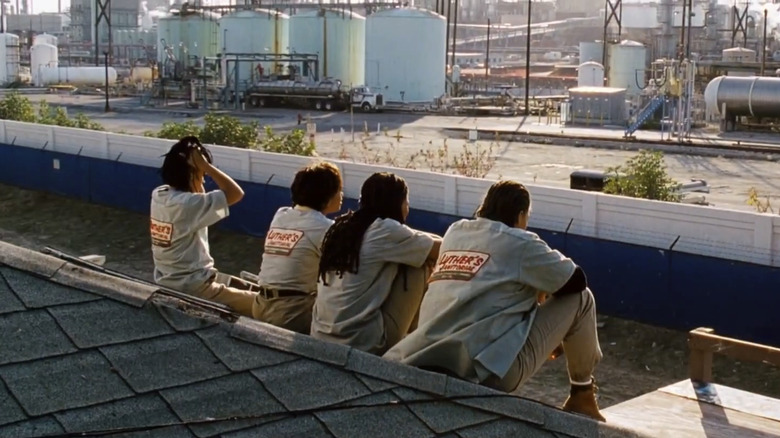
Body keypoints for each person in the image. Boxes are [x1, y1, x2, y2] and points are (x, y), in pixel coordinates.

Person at [384, 180, 605, 422]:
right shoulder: (521, 242)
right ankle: (582, 394)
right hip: (487, 372)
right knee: (582, 299)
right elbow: (576, 280)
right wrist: (543, 296)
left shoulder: (456, 232)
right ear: (521, 215)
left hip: (425, 355)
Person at [311, 172, 442, 355]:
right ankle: (416, 340)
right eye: (406, 202)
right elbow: (442, 248)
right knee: (419, 263)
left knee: (413, 252)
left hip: (320, 335)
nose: (407, 208)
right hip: (361, 341)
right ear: (396, 203)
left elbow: (418, 239)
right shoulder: (385, 230)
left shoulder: (341, 228)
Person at [150, 136, 257, 317]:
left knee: (248, 286)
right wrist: (205, 166)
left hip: (173, 280)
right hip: (195, 287)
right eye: (202, 175)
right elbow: (235, 193)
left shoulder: (160, 195)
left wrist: (196, 172)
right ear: (191, 174)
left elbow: (197, 194)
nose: (204, 181)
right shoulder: (187, 204)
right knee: (265, 304)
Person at [253, 161, 343, 333]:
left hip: (261, 304)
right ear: (327, 195)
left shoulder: (281, 214)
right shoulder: (326, 228)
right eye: (339, 189)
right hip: (292, 312)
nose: (342, 194)